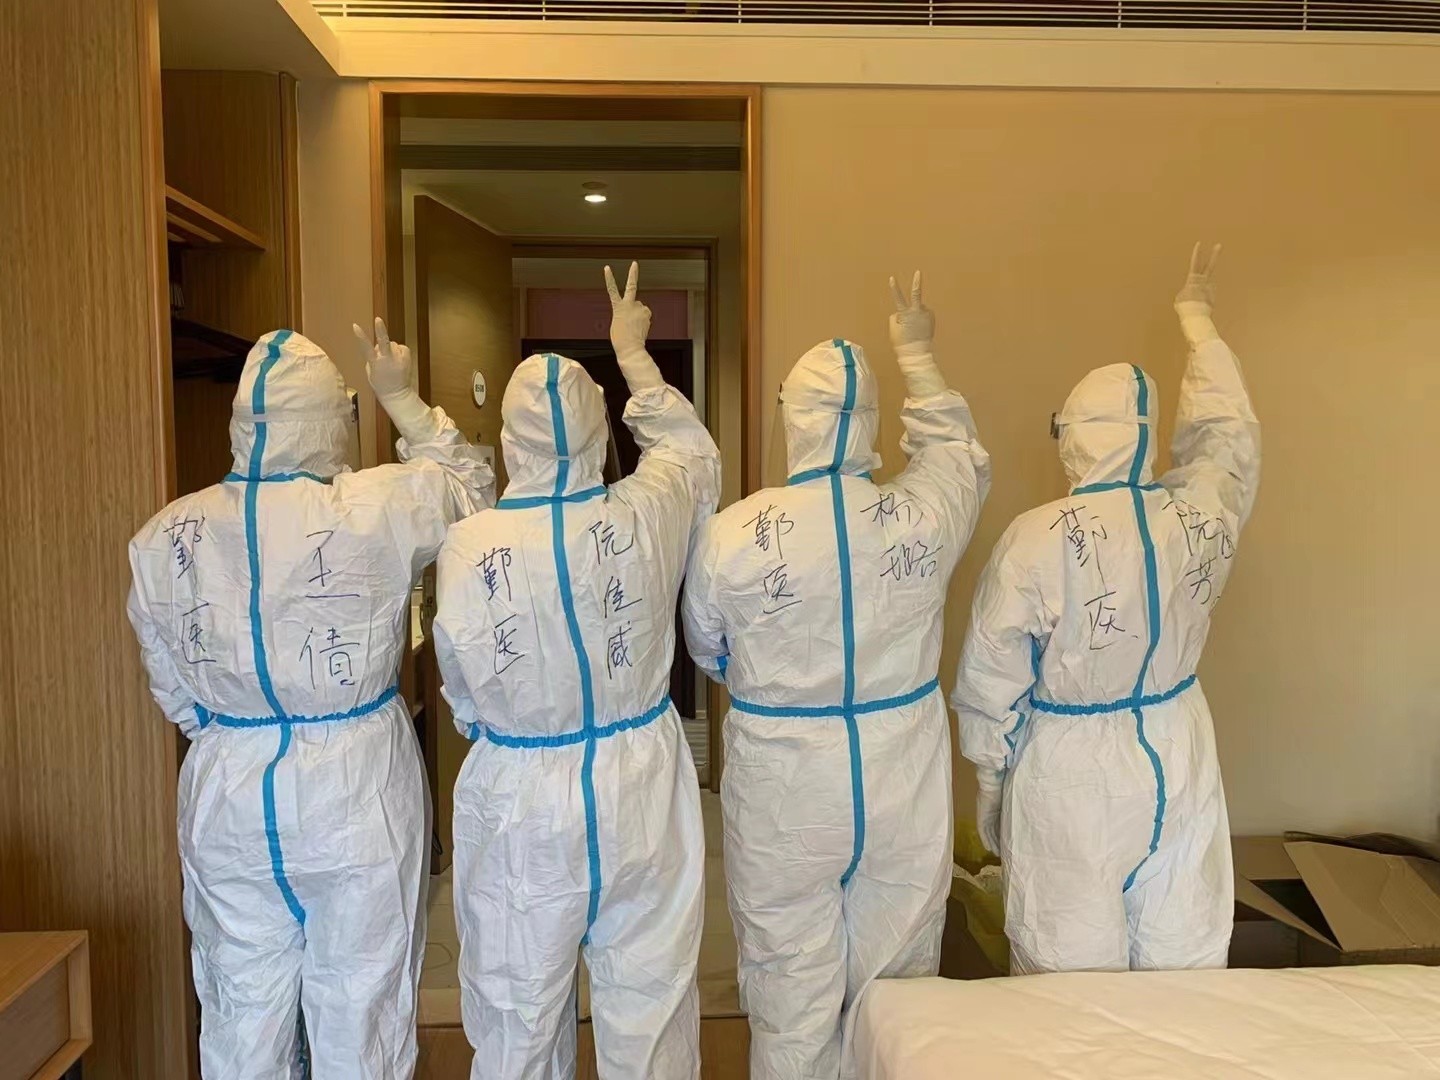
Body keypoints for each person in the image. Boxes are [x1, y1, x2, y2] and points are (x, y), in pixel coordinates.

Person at [127, 323, 492, 1078]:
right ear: (333, 420)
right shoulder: (374, 504)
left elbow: (168, 678)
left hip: (228, 785)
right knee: (362, 1003)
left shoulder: (162, 535)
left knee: (241, 1007)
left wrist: (232, 728)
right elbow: (470, 491)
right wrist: (403, 399)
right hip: (355, 783)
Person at [682, 273, 990, 1080]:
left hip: (783, 783)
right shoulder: (924, 513)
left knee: (788, 988)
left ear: (793, 417)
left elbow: (707, 648)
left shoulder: (732, 534)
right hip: (901, 773)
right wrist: (916, 353)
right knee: (899, 996)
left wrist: (776, 682)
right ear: (873, 424)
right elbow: (957, 457)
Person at [434, 263, 721, 1080]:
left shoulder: (470, 545)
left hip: (521, 792)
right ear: (603, 438)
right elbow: (691, 455)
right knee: (652, 1004)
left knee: (518, 1012)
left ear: (506, 443)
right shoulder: (648, 509)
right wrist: (633, 355)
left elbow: (463, 690)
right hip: (642, 780)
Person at [951, 244, 1261, 975]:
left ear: (1074, 435)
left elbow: (991, 676)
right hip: (1178, 744)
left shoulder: (1036, 538)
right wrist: (1202, 333)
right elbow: (1230, 445)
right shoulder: (1202, 514)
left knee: (1068, 979)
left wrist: (991, 782)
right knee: (1184, 966)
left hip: (1070, 770)